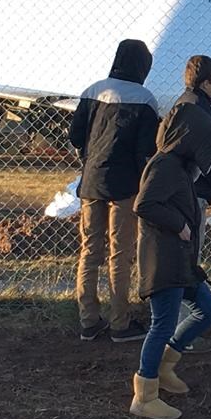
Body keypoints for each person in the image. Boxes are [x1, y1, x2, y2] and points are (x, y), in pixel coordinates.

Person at [129, 102, 211, 419]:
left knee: (208, 310)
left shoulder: (178, 166)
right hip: (163, 260)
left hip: (180, 261)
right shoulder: (165, 166)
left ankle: (164, 367)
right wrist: (180, 225)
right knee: (162, 324)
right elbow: (144, 204)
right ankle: (144, 395)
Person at [69, 39, 158, 343]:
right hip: (125, 185)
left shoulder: (93, 90)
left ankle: (88, 321)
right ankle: (120, 322)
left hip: (91, 180)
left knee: (90, 250)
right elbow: (146, 149)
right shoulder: (145, 99)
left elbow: (75, 135)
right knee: (120, 254)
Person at [170, 55, 211, 354]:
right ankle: (182, 332)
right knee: (187, 260)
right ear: (205, 82)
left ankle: (180, 328)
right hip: (191, 192)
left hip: (189, 191)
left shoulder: (187, 103)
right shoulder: (196, 108)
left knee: (186, 258)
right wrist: (206, 184)